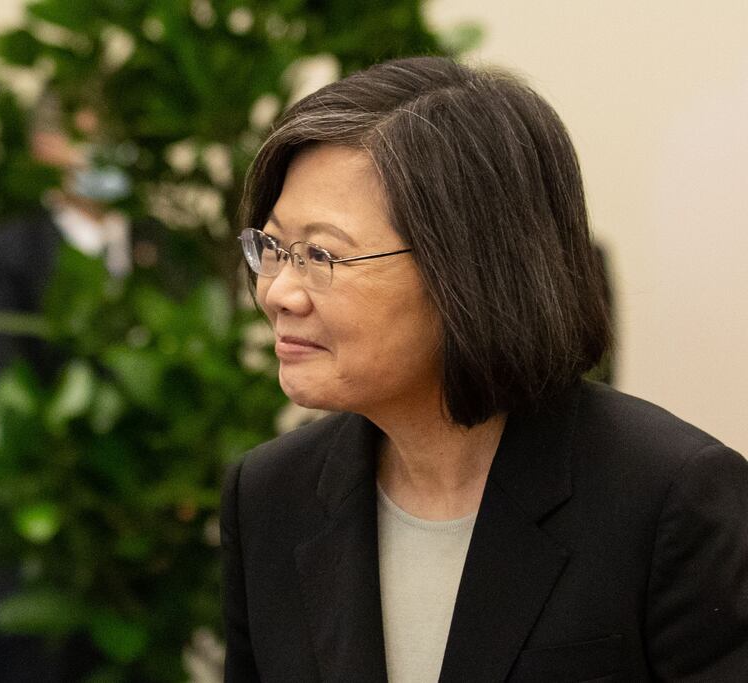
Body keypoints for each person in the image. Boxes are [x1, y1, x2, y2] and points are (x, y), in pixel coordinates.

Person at [222, 56, 747, 682]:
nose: (280, 292)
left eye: (321, 254)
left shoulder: (670, 501)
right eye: (273, 247)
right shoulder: (271, 496)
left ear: (470, 269)